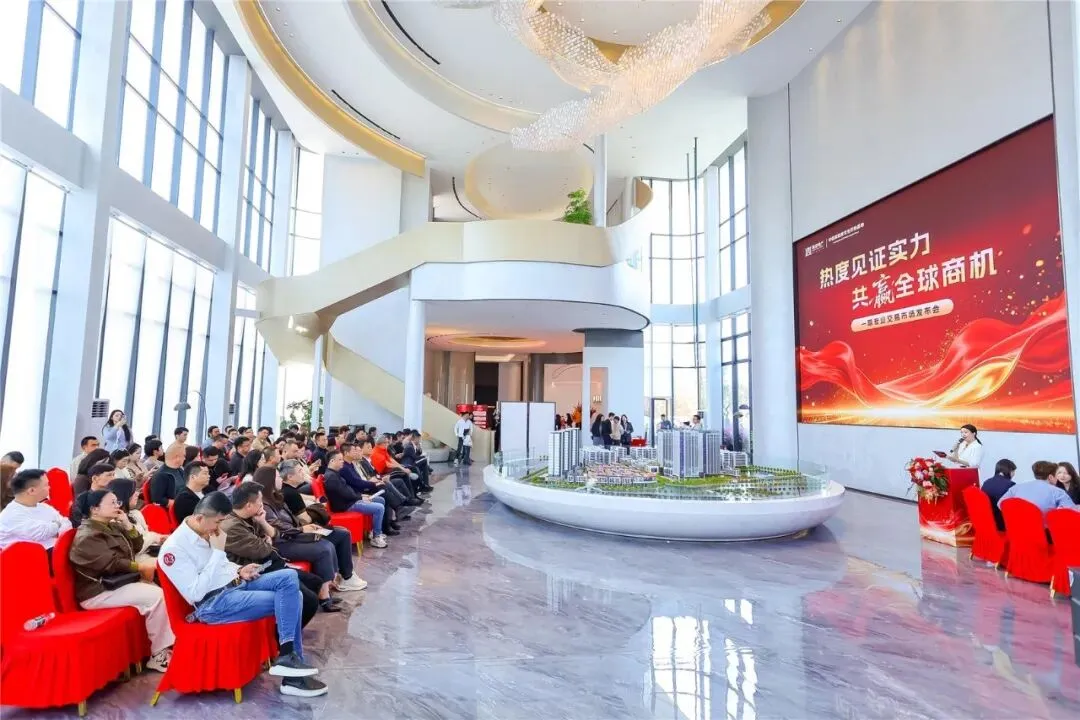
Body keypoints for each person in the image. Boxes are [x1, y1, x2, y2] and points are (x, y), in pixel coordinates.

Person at [158, 492, 328, 697]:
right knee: (295, 598)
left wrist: (239, 570)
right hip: (213, 604)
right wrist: (217, 552)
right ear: (200, 518)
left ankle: (287, 656)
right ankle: (292, 675)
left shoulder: (205, 529)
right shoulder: (174, 549)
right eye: (217, 522)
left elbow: (221, 566)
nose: (219, 528)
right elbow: (195, 593)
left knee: (288, 577)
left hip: (234, 586)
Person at [69, 490, 175, 672]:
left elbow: (137, 546)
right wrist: (141, 567)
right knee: (157, 596)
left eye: (117, 502)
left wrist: (127, 525)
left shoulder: (111, 526)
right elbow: (111, 563)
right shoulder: (87, 535)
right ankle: (159, 655)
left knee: (162, 585)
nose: (117, 506)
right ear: (95, 509)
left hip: (118, 582)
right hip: (99, 590)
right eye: (111, 503)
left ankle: (167, 645)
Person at [221, 480, 343, 620]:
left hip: (270, 563)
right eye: (259, 502)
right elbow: (264, 550)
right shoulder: (232, 527)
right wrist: (267, 540)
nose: (262, 505)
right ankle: (285, 629)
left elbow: (272, 536)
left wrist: (262, 522)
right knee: (309, 599)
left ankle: (296, 618)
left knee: (315, 581)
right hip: (255, 571)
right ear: (249, 505)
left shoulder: (252, 517)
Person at [252, 467, 366, 592]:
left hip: (292, 534)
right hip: (282, 541)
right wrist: (301, 529)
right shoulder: (265, 504)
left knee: (341, 533)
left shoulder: (277, 497)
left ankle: (344, 576)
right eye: (278, 477)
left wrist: (303, 528)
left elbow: (291, 520)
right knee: (324, 547)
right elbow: (277, 526)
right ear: (270, 480)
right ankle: (327, 589)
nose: (281, 479)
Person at [322, 450, 389, 547]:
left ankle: (373, 531)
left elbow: (347, 490)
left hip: (350, 500)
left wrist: (361, 496)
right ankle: (376, 537)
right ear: (332, 461)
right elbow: (344, 494)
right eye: (340, 459)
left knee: (380, 500)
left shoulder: (334, 473)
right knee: (379, 508)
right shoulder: (331, 477)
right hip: (346, 506)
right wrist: (360, 497)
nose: (342, 461)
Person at [0, 469, 72, 550]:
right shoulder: (11, 515)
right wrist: (57, 525)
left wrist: (54, 531)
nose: (49, 487)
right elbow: (41, 533)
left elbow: (67, 524)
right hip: (26, 556)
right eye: (46, 485)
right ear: (32, 490)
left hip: (52, 551)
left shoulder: (44, 507)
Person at [108, 477, 165, 562]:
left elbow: (146, 537)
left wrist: (161, 538)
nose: (137, 494)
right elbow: (133, 550)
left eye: (136, 490)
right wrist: (153, 537)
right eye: (133, 492)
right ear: (124, 495)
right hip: (137, 561)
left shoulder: (135, 514)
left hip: (150, 552)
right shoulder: (114, 522)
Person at [998, 460, 1078, 521]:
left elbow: (1000, 504)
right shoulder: (1057, 492)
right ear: (1050, 477)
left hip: (1018, 532)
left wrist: (1020, 516)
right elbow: (1072, 513)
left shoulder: (1016, 488)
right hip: (1045, 534)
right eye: (1057, 475)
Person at [980, 459, 1017, 531]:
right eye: (1013, 471)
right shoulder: (1010, 485)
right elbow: (1013, 508)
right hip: (1002, 523)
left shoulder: (986, 482)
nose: (1014, 474)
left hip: (987, 521)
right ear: (1007, 471)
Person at [172, 461, 211, 525]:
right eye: (205, 473)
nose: (209, 476)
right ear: (193, 477)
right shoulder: (184, 498)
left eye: (208, 473)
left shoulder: (206, 491)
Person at [150, 444, 187, 508]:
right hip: (177, 508)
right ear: (177, 457)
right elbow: (157, 500)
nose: (185, 458)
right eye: (184, 456)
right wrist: (180, 503)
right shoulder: (160, 476)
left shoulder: (179, 469)